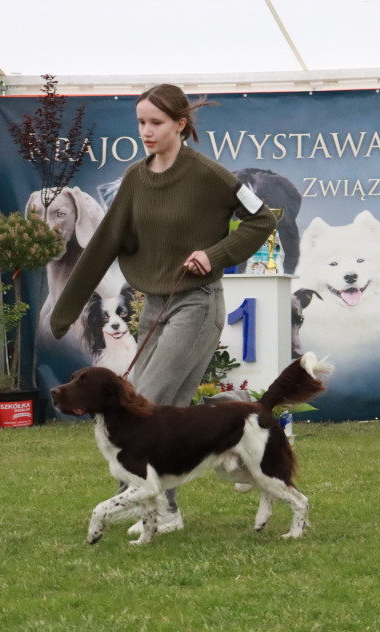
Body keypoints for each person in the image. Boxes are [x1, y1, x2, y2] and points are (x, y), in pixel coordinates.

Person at [50, 83, 277, 535]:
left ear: (180, 124)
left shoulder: (210, 174)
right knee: (160, 410)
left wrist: (214, 254)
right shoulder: (137, 177)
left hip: (198, 303)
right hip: (155, 305)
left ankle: (136, 501)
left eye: (156, 123)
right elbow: (105, 242)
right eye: (141, 123)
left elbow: (262, 219)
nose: (146, 131)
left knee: (143, 401)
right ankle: (165, 509)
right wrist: (66, 307)